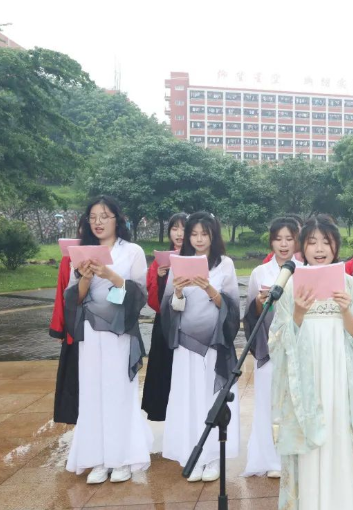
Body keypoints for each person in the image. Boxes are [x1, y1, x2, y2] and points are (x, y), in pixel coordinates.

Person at [270, 214, 353, 510]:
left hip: (342, 378)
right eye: (312, 242)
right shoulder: (290, 287)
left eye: (326, 242)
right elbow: (277, 340)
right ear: (302, 247)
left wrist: (346, 311)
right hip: (306, 380)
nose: (319, 249)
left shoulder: (351, 286)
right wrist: (298, 313)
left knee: (340, 436)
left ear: (336, 246)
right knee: (310, 444)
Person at [64, 196, 152, 484]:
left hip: (119, 332)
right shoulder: (81, 252)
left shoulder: (132, 251)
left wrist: (112, 276)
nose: (98, 222)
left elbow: (140, 296)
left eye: (104, 216)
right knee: (93, 393)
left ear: (117, 219)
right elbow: (74, 299)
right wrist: (86, 277)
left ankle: (122, 458)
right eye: (92, 217)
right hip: (90, 332)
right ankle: (98, 459)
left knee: (118, 392)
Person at [161, 212, 241, 482]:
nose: (198, 239)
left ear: (213, 236)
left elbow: (232, 309)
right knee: (188, 396)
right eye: (194, 234)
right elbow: (170, 309)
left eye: (204, 234)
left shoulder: (224, 265)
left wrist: (209, 289)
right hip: (186, 345)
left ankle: (213, 457)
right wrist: (178, 292)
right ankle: (191, 454)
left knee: (210, 396)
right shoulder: (179, 263)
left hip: (214, 344)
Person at [242, 217, 301, 478]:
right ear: (271, 242)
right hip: (268, 348)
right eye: (278, 239)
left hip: (297, 347)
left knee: (295, 404)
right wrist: (259, 302)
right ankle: (271, 458)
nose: (284, 244)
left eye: (289, 239)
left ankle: (296, 456)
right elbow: (250, 315)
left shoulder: (304, 269)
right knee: (268, 403)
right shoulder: (260, 272)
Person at [141, 212, 187, 421]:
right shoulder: (160, 262)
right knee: (164, 369)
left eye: (183, 229)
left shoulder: (197, 258)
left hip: (188, 324)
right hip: (165, 324)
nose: (179, 234)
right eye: (174, 229)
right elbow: (154, 301)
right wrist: (160, 278)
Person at [50, 217, 84, 425]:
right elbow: (61, 293)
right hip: (74, 326)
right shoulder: (67, 259)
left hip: (100, 326)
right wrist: (60, 328)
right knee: (74, 376)